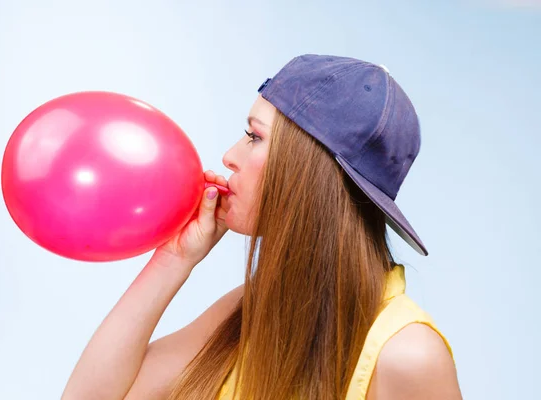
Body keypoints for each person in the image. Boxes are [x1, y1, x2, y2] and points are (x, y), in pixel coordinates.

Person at [61, 54, 462, 400]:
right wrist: (173, 260)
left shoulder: (407, 355)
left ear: (311, 172)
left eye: (254, 136)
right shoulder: (247, 312)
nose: (229, 156)